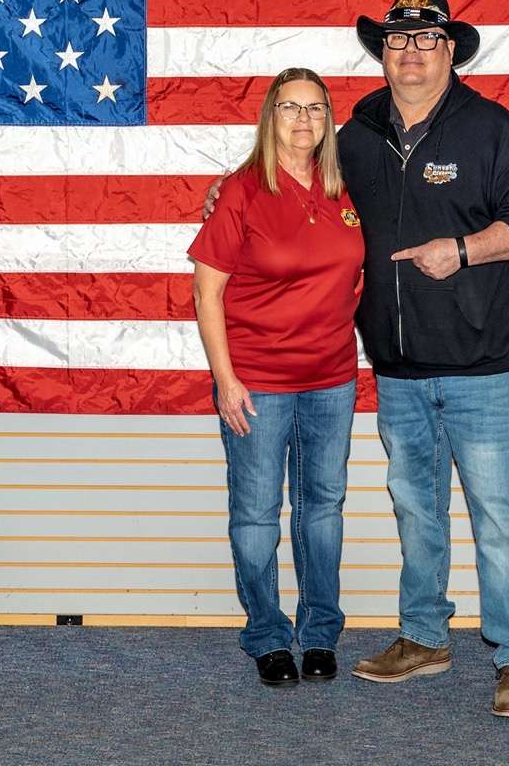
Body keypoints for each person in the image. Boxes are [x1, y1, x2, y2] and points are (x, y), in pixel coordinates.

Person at [340, 0, 509, 717]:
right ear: (383, 52)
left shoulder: (490, 128)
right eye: (396, 41)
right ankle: (424, 638)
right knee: (416, 510)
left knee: (500, 515)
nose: (409, 52)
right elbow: (297, 194)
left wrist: (464, 250)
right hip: (397, 370)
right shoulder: (358, 132)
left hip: (482, 368)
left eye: (425, 40)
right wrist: (229, 195)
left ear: (450, 51)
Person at [189, 68, 365, 687]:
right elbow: (206, 296)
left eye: (315, 109)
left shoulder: (348, 187)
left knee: (323, 509)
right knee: (257, 514)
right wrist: (226, 380)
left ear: (328, 120)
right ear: (269, 116)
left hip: (332, 379)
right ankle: (266, 635)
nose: (303, 120)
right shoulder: (241, 191)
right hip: (256, 382)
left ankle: (319, 634)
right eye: (290, 108)